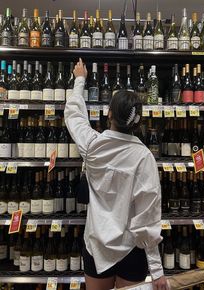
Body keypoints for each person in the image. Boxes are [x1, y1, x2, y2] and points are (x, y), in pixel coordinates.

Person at [64, 58, 168, 290]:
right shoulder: (143, 157)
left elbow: (73, 116)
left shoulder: (92, 146)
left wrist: (80, 79)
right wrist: (157, 270)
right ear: (137, 122)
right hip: (131, 249)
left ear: (109, 114)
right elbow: (148, 216)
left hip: (96, 246)